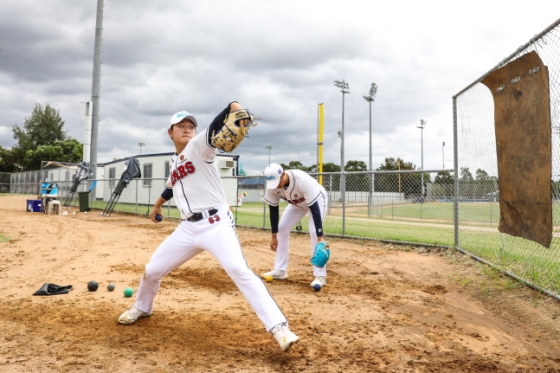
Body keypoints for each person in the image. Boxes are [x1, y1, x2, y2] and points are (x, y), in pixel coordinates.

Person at [117, 102, 299, 352]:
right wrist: (157, 205)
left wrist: (231, 106)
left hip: (216, 224)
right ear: (170, 132)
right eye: (181, 126)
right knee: (151, 270)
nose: (187, 129)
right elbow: (171, 185)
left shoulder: (199, 146)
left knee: (239, 269)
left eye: (191, 125)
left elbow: (214, 129)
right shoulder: (175, 161)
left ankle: (280, 328)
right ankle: (142, 307)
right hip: (186, 229)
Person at [261, 163, 329, 290]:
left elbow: (314, 208)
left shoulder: (301, 180)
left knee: (314, 231)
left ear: (283, 174)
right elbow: (273, 210)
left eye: (277, 181)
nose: (275, 185)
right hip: (297, 204)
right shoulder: (272, 186)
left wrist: (320, 237)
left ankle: (320, 276)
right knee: (282, 229)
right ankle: (280, 270)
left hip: (316, 200)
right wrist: (274, 236)